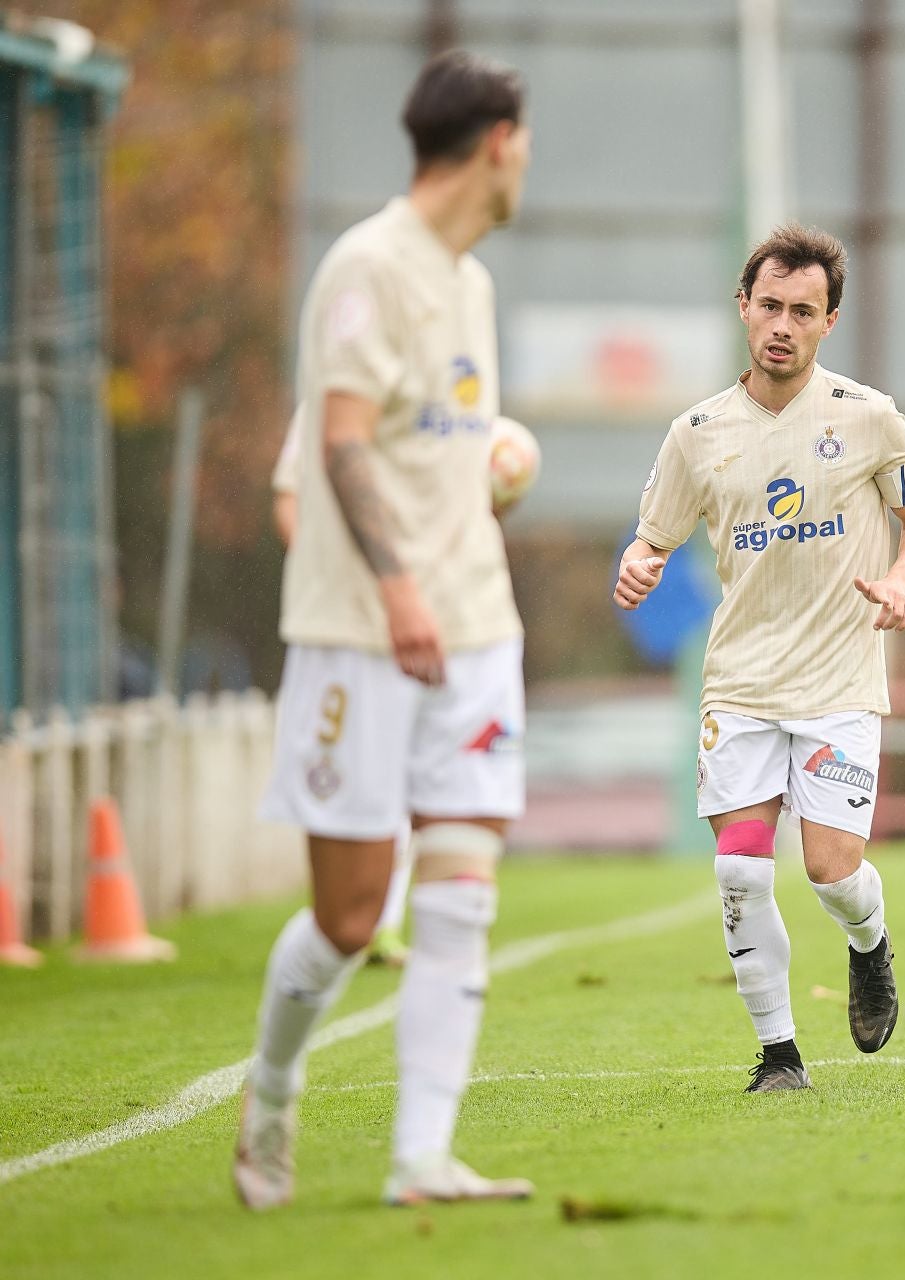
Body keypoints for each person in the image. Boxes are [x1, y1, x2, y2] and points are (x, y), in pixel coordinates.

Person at [236, 50, 536, 1209]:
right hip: (365, 632)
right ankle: (270, 1091)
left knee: (462, 887)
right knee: (352, 914)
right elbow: (343, 439)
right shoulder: (366, 268)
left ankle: (423, 1156)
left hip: (476, 628)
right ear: (498, 142)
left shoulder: (473, 284)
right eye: (526, 145)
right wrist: (399, 581)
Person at [614, 225, 905, 1091]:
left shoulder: (868, 418)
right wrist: (639, 563)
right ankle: (778, 1055)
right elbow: (653, 537)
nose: (783, 325)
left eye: (804, 310)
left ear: (829, 320)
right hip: (743, 684)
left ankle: (869, 945)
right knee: (738, 868)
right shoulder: (696, 433)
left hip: (837, 681)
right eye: (770, 307)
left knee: (832, 871)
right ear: (744, 309)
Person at [271, 405, 411, 969]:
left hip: (436, 631)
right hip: (348, 639)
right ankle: (344, 920)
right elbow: (288, 498)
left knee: (415, 790)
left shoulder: (453, 394)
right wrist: (328, 575)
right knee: (348, 792)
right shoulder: (327, 406)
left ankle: (385, 923)